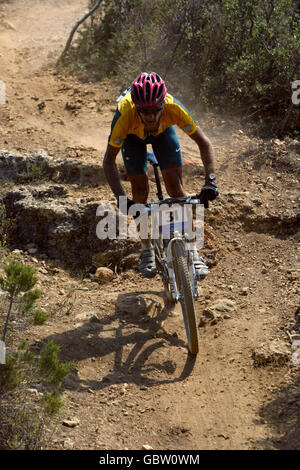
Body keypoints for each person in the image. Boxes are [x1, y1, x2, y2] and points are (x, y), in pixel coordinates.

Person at [103, 72, 218, 278]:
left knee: (175, 188)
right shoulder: (125, 113)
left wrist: (210, 181)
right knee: (139, 192)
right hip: (132, 139)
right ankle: (146, 248)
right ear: (136, 107)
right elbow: (109, 161)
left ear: (162, 105)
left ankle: (192, 250)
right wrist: (122, 199)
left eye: (155, 110)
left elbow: (204, 143)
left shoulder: (173, 107)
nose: (150, 116)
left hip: (163, 134)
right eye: (144, 111)